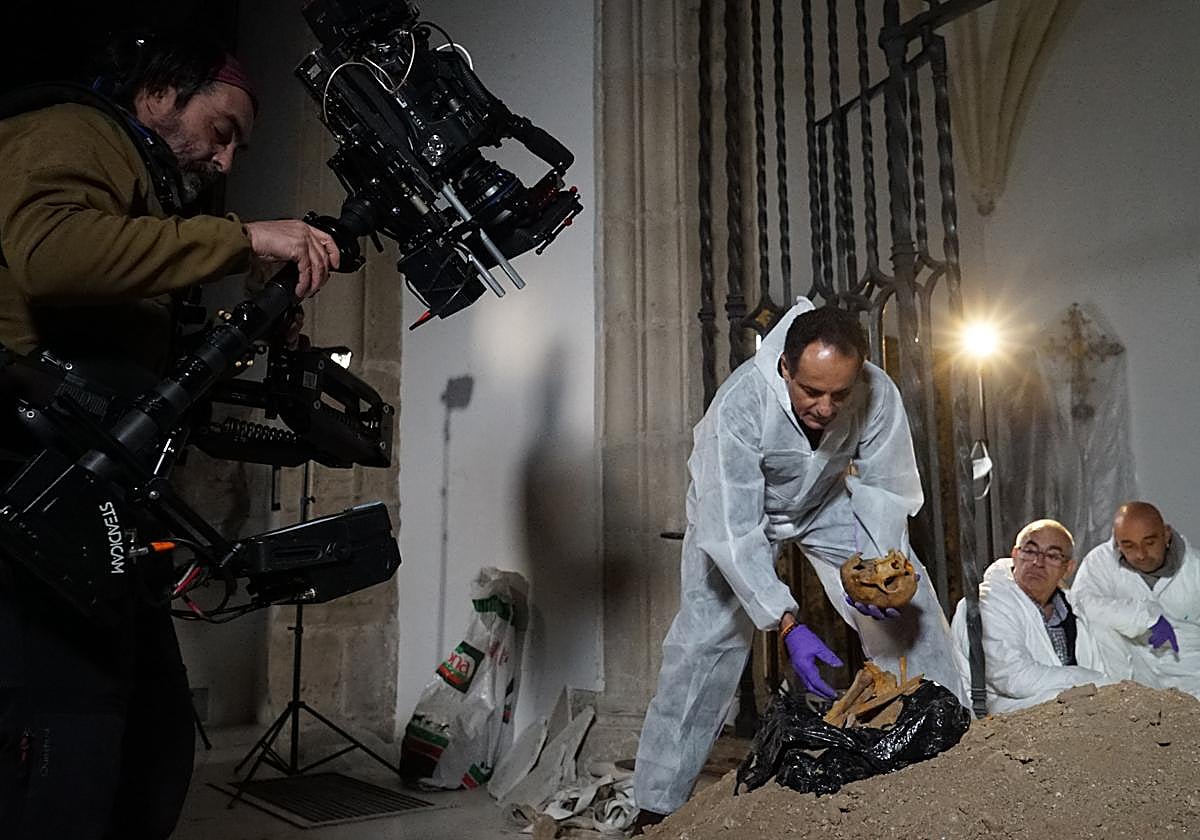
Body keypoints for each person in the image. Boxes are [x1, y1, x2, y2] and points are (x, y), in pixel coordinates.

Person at [0, 32, 339, 839]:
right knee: (62, 747)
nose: (224, 161)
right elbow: (50, 255)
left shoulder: (151, 191)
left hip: (92, 495)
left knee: (150, 747)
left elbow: (136, 339)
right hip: (27, 482)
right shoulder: (77, 131)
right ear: (161, 91)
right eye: (221, 130)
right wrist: (244, 238)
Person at [631, 299, 965, 831]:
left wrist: (878, 566)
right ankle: (655, 806)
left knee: (909, 601)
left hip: (823, 502)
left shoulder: (877, 392)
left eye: (840, 393)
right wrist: (787, 624)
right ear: (785, 366)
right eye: (811, 391)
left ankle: (946, 739)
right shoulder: (741, 403)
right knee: (704, 646)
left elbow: (883, 484)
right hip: (740, 514)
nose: (826, 408)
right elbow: (733, 530)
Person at [950, 519, 1112, 714]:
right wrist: (1098, 682)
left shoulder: (1073, 610)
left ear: (1068, 568)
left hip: (1069, 723)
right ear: (1015, 554)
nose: (1038, 563)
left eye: (1052, 555)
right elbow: (1015, 678)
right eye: (1030, 551)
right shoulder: (985, 602)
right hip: (999, 725)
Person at [1071, 501, 1200, 698]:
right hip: (1128, 677)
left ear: (1166, 534)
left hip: (1190, 677)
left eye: (1149, 543)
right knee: (1094, 624)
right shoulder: (1099, 562)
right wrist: (1146, 617)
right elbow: (1083, 602)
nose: (1140, 555)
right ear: (1117, 542)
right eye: (1128, 545)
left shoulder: (1195, 568)